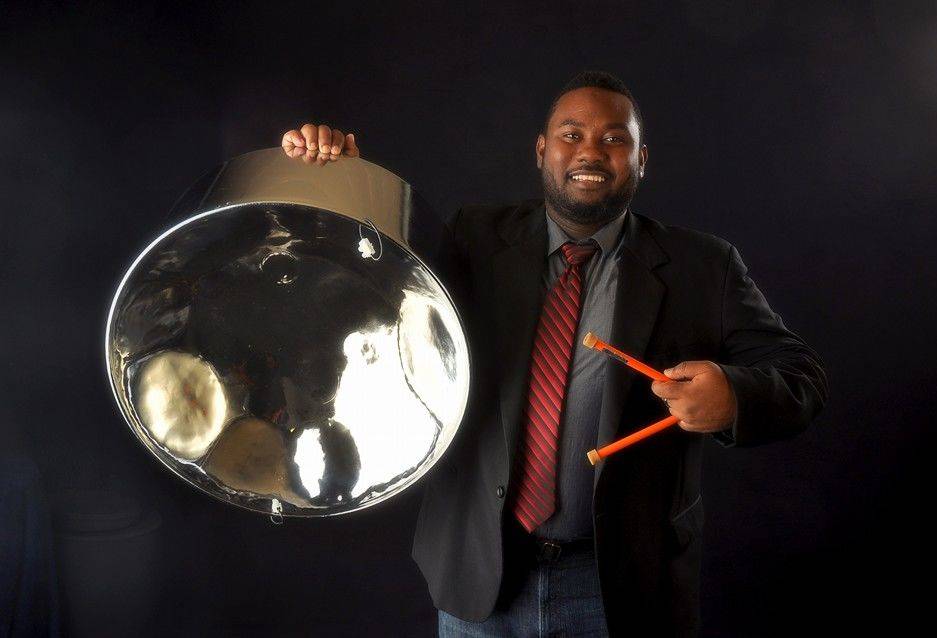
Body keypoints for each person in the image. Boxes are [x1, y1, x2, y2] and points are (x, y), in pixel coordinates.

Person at [281, 71, 828, 637]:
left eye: (616, 139)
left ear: (642, 160)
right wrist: (345, 173)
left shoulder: (703, 268)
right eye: (571, 134)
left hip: (621, 589)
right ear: (542, 150)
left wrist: (734, 396)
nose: (591, 151)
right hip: (482, 576)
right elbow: (376, 283)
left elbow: (801, 378)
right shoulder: (474, 238)